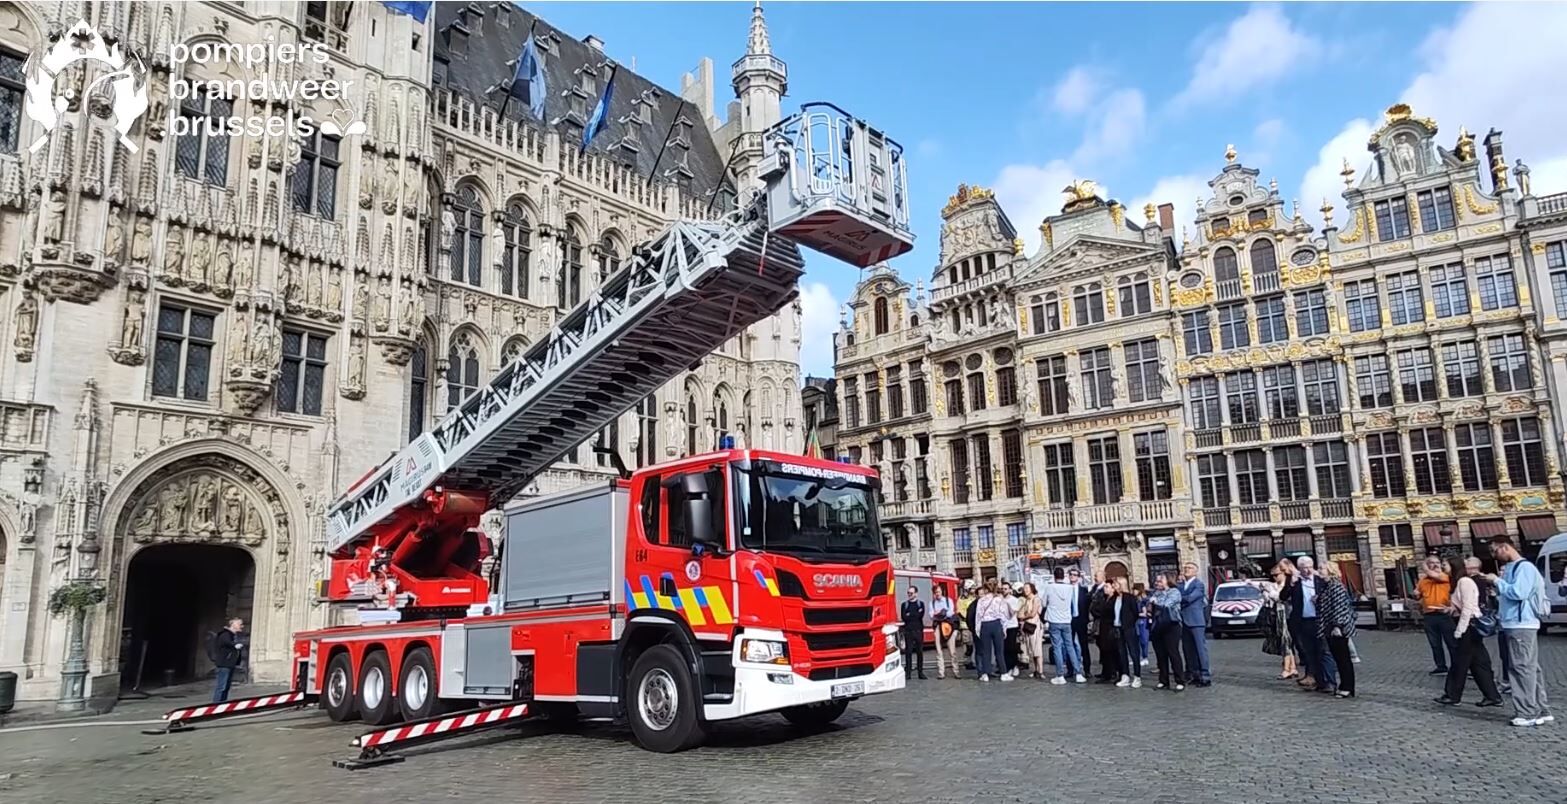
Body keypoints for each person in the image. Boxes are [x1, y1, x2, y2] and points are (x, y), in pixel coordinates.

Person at [1486, 535, 1553, 727]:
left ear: (1505, 547)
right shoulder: (1515, 568)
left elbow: (1519, 593)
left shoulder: (1524, 568)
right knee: (1530, 668)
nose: (1494, 555)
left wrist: (1497, 581)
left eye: (1495, 550)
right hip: (1517, 622)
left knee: (1521, 668)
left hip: (1520, 623)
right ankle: (1541, 709)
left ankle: (1527, 712)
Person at [1437, 556, 1503, 708]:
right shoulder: (1458, 582)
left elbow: (1468, 608)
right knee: (1479, 662)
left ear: (1454, 566)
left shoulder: (1464, 582)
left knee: (1459, 661)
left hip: (1468, 626)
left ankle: (1453, 695)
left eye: (1444, 565)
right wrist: (1450, 609)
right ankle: (1492, 696)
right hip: (1467, 625)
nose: (1442, 568)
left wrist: (1460, 630)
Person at [1282, 556, 1336, 693]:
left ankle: (1329, 682)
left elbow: (1331, 597)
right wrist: (1291, 584)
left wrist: (1320, 599)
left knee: (1324, 651)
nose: (1307, 570)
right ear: (1299, 568)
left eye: (1309, 567)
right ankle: (1316, 680)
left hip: (1320, 620)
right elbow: (1282, 597)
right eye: (1304, 568)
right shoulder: (1295, 581)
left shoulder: (1320, 580)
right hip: (1303, 621)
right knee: (1308, 652)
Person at [1317, 563, 1356, 699]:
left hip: (1338, 627)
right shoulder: (1326, 586)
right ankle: (1344, 685)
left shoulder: (1336, 586)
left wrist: (1337, 625)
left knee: (1343, 658)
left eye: (1322, 568)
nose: (1319, 570)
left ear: (1330, 571)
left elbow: (1339, 606)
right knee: (1338, 658)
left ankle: (1347, 687)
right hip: (1328, 626)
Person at [1414, 556, 1455, 675]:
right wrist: (1416, 594)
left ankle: (1457, 665)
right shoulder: (1423, 580)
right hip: (1429, 615)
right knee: (1435, 643)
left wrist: (1425, 568)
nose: (1435, 565)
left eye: (1437, 562)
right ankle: (1441, 666)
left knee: (1451, 642)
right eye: (1431, 563)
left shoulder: (1445, 576)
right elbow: (1419, 595)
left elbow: (1435, 575)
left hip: (1444, 614)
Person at [1043, 568, 1084, 684]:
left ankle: (1060, 675)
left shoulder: (1050, 587)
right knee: (1070, 646)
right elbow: (1072, 603)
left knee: (1057, 647)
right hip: (1066, 620)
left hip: (1054, 620)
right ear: (1064, 576)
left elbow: (1043, 603)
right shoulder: (1070, 588)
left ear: (1054, 576)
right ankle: (1078, 673)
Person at [1146, 573, 1186, 691]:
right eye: (1156, 581)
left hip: (1171, 625)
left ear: (1168, 581)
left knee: (1172, 652)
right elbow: (1149, 605)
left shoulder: (1174, 592)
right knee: (1160, 654)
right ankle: (1163, 680)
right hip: (1158, 625)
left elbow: (1167, 604)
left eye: (1160, 581)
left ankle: (1180, 680)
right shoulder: (1156, 593)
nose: (1157, 583)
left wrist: (1155, 601)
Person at [1178, 563, 1212, 686]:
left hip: (1196, 621)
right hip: (1183, 620)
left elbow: (1190, 598)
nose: (1187, 569)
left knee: (1200, 649)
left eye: (1190, 568)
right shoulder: (1180, 585)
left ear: (1195, 572)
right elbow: (1179, 597)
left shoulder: (1198, 584)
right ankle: (1193, 674)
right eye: (1185, 568)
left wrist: (1179, 598)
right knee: (1188, 650)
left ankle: (1205, 675)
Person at [1261, 561, 1296, 679]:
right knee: (1285, 642)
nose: (1275, 578)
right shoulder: (1274, 585)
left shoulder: (1289, 584)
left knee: (1285, 641)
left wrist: (1271, 593)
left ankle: (1287, 669)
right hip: (1278, 616)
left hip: (1287, 615)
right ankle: (1292, 667)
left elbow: (1280, 598)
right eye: (1272, 576)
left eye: (1277, 575)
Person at [975, 580, 1012, 682]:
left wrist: (978, 629)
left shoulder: (981, 600)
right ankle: (1003, 673)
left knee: (986, 651)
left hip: (985, 625)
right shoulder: (999, 600)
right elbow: (1003, 615)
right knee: (999, 651)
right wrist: (1004, 628)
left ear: (985, 589)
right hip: (996, 624)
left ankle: (985, 674)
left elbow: (978, 616)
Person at [1109, 578, 1142, 688]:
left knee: (1133, 652)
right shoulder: (1114, 598)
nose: (1113, 586)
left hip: (1128, 629)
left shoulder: (1129, 597)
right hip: (1117, 628)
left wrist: (1129, 623)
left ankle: (1137, 676)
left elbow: (1135, 613)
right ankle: (1125, 675)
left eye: (1115, 584)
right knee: (1121, 653)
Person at [209, 617, 245, 703]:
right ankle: (216, 704)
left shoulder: (233, 635)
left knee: (226, 686)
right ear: (232, 624)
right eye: (239, 624)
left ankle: (222, 703)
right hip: (224, 664)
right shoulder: (225, 634)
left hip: (229, 664)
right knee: (222, 686)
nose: (242, 626)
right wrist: (235, 645)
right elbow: (227, 642)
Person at [931, 583, 960, 679]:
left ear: (942, 592)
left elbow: (950, 613)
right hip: (938, 627)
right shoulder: (932, 603)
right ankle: (941, 672)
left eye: (939, 592)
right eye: (936, 592)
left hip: (948, 626)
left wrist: (939, 613)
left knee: (952, 650)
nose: (937, 594)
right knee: (938, 650)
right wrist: (942, 612)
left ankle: (956, 671)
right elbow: (931, 615)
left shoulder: (948, 600)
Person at [1069, 568, 1093, 680]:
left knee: (1084, 645)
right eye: (1071, 574)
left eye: (1074, 575)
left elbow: (1088, 606)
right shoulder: (1066, 589)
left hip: (1081, 620)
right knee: (1069, 645)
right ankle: (1070, 669)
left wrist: (1088, 620)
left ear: (1078, 577)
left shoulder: (1084, 590)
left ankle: (1087, 670)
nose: (1072, 576)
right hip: (1070, 620)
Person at [900, 585, 928, 680]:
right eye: (908, 593)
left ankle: (920, 672)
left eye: (911, 593)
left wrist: (910, 614)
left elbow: (920, 616)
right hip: (908, 631)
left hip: (918, 630)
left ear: (916, 593)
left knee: (920, 652)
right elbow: (904, 617)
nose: (909, 595)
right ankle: (908, 673)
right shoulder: (904, 605)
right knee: (908, 652)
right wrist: (914, 614)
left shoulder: (921, 604)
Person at [1020, 582, 1045, 679]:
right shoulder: (1026, 600)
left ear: (1032, 589)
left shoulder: (1036, 599)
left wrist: (1023, 617)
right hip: (1027, 626)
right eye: (1024, 588)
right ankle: (1035, 670)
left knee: (1037, 648)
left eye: (1027, 588)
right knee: (1031, 649)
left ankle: (1040, 671)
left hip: (1035, 626)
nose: (1025, 590)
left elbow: (1033, 613)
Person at [1002, 582, 1022, 678]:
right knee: (1004, 647)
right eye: (1002, 589)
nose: (1003, 590)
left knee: (1012, 647)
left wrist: (1007, 604)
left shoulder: (1014, 600)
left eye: (1005, 589)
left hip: (1012, 625)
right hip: (1003, 626)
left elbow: (1013, 613)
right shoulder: (999, 600)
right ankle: (1007, 666)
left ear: (1010, 590)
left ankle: (1014, 665)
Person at [1134, 583, 1152, 668]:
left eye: (1135, 589)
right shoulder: (1136, 600)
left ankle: (1145, 657)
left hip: (1142, 621)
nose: (1133, 591)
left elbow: (1145, 613)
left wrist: (1136, 614)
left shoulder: (1143, 601)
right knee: (1137, 640)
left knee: (1144, 640)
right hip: (1137, 621)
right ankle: (1139, 657)